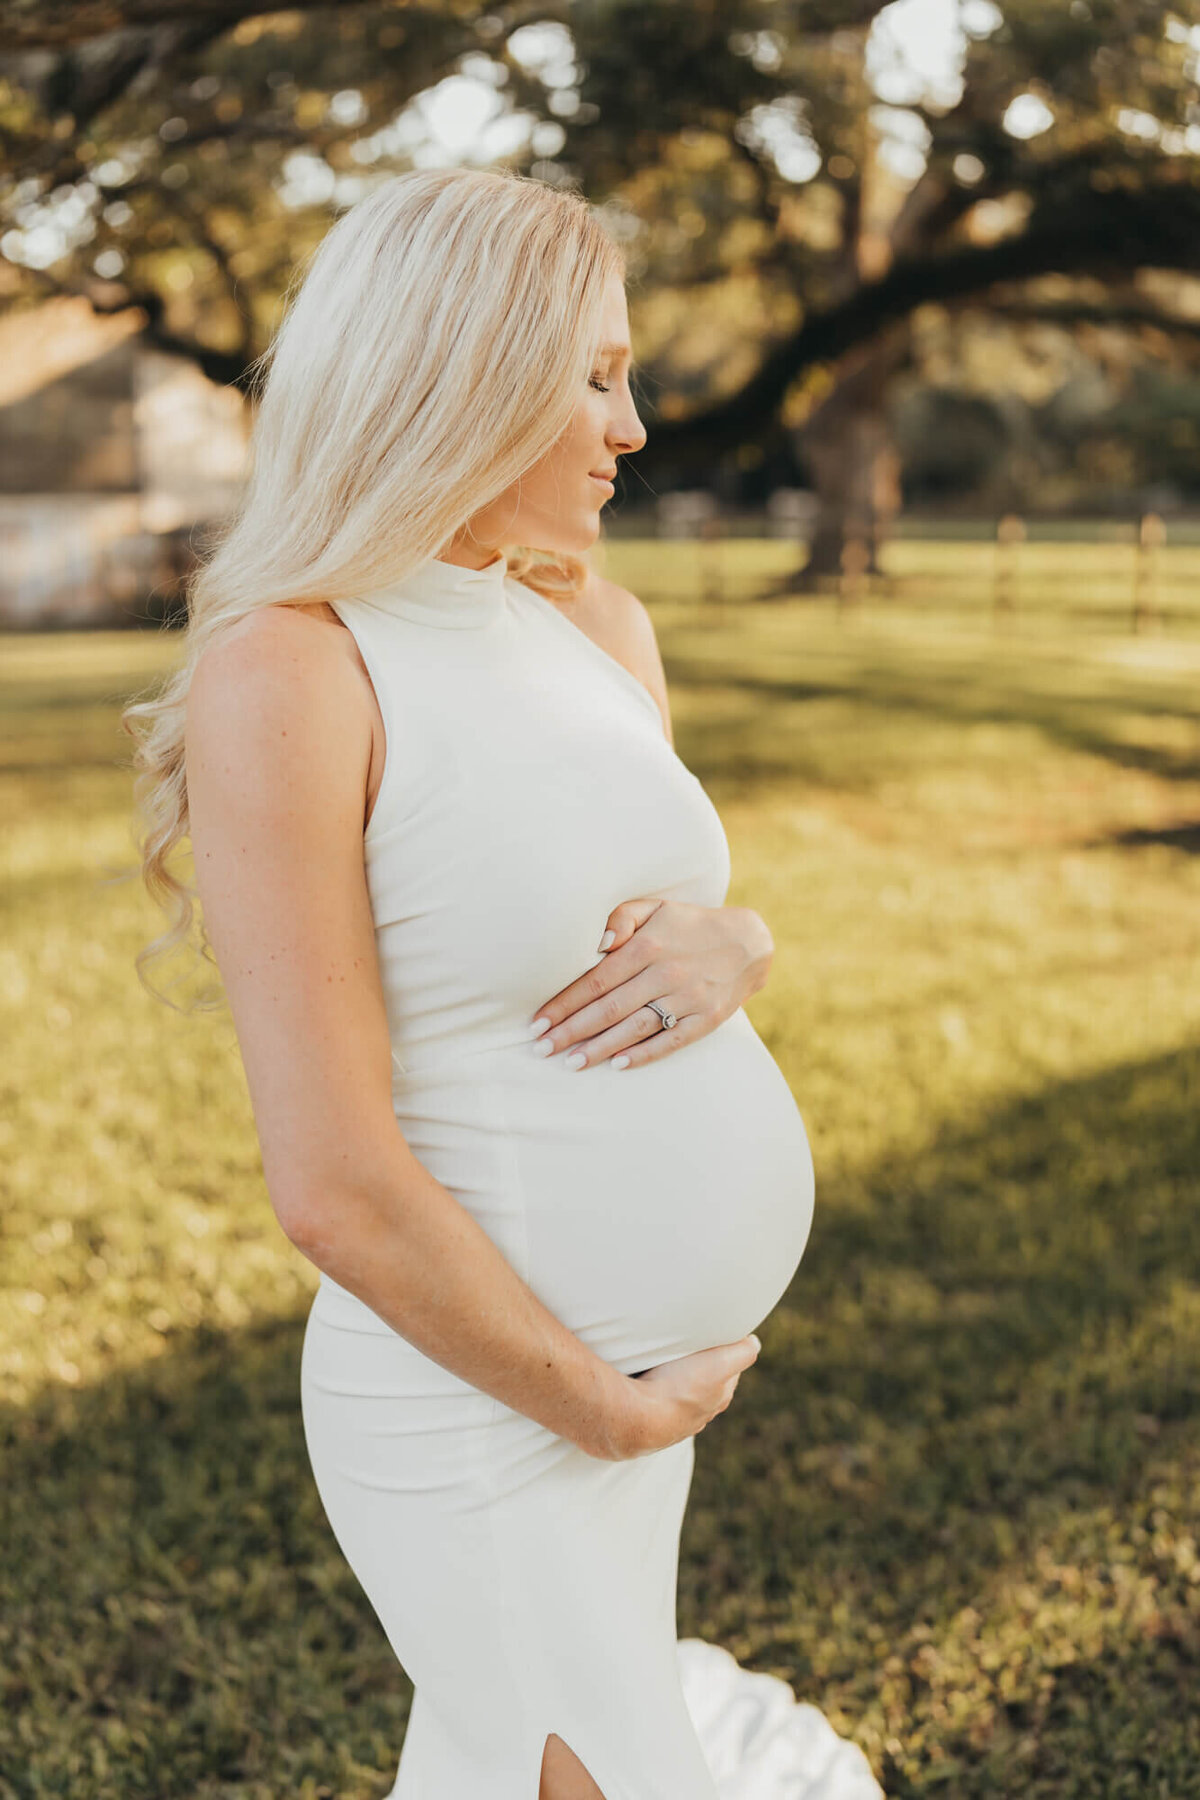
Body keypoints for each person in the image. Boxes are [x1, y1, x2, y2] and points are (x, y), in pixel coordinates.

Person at [124, 168, 882, 1799]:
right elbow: (329, 1182)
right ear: (457, 372)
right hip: (480, 1414)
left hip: (621, 1403)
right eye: (596, 377)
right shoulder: (298, 666)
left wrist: (739, 942)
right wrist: (595, 1408)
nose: (636, 426)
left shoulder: (602, 624)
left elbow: (648, 923)